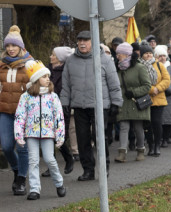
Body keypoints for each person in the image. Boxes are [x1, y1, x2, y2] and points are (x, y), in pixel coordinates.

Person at [60, 30, 122, 181]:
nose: (82, 43)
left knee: (99, 137)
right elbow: (66, 84)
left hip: (100, 106)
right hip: (79, 105)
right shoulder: (70, 60)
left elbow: (114, 83)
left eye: (86, 40)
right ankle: (88, 170)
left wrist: (116, 102)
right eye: (80, 40)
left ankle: (103, 167)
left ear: (93, 42)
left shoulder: (105, 59)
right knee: (82, 139)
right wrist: (64, 102)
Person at [14, 62, 65, 199]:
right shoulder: (26, 97)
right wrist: (19, 134)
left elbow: (59, 116)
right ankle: (35, 189)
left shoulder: (53, 96)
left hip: (48, 134)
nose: (48, 79)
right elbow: (20, 116)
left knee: (50, 159)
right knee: (33, 161)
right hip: (31, 134)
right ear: (36, 79)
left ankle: (59, 183)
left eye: (48, 76)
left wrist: (60, 135)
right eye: (44, 76)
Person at [1, 26, 32, 195]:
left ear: (21, 47)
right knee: (6, 147)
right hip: (5, 112)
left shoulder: (30, 64)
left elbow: (37, 86)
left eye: (14, 46)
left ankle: (21, 179)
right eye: (8, 46)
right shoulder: (1, 65)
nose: (10, 49)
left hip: (24, 114)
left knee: (22, 147)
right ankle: (16, 169)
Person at [112, 42, 152, 163]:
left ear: (126, 54)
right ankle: (122, 153)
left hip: (136, 102)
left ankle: (140, 150)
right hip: (123, 102)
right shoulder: (117, 68)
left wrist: (134, 92)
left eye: (119, 53)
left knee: (138, 127)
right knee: (123, 126)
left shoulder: (140, 68)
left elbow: (147, 86)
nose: (117, 56)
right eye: (117, 53)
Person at [48, 46, 76, 174]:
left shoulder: (66, 72)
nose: (51, 57)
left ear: (59, 59)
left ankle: (68, 158)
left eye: (53, 55)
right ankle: (51, 166)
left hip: (61, 108)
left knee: (59, 137)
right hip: (47, 108)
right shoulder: (48, 71)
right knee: (48, 136)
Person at [139, 44, 169, 156]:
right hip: (145, 100)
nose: (148, 55)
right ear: (142, 55)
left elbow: (167, 79)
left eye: (150, 53)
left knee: (156, 122)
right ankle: (150, 146)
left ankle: (157, 145)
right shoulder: (139, 66)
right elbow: (139, 82)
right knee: (147, 124)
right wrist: (151, 89)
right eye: (146, 53)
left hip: (159, 99)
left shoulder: (159, 65)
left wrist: (158, 88)